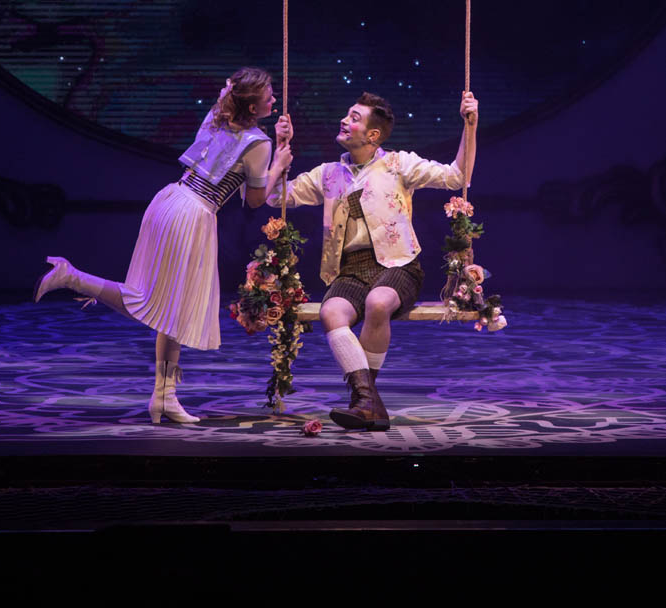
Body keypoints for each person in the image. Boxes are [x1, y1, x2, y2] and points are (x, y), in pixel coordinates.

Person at [34, 67, 293, 425]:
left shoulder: (217, 117)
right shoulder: (258, 144)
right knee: (149, 302)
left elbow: (227, 96)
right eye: (268, 96)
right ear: (252, 107)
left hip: (171, 199)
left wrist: (274, 141)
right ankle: (73, 277)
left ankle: (164, 396)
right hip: (193, 214)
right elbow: (255, 200)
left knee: (173, 309)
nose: (274, 99)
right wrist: (278, 162)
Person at [269, 90, 478, 430]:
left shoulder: (398, 164)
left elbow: (457, 176)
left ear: (373, 134)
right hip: (350, 270)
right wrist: (279, 155)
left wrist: (470, 125)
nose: (344, 120)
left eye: (354, 118)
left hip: (398, 265)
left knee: (378, 303)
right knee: (331, 312)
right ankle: (368, 403)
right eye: (347, 114)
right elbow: (276, 197)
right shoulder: (328, 174)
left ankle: (365, 400)